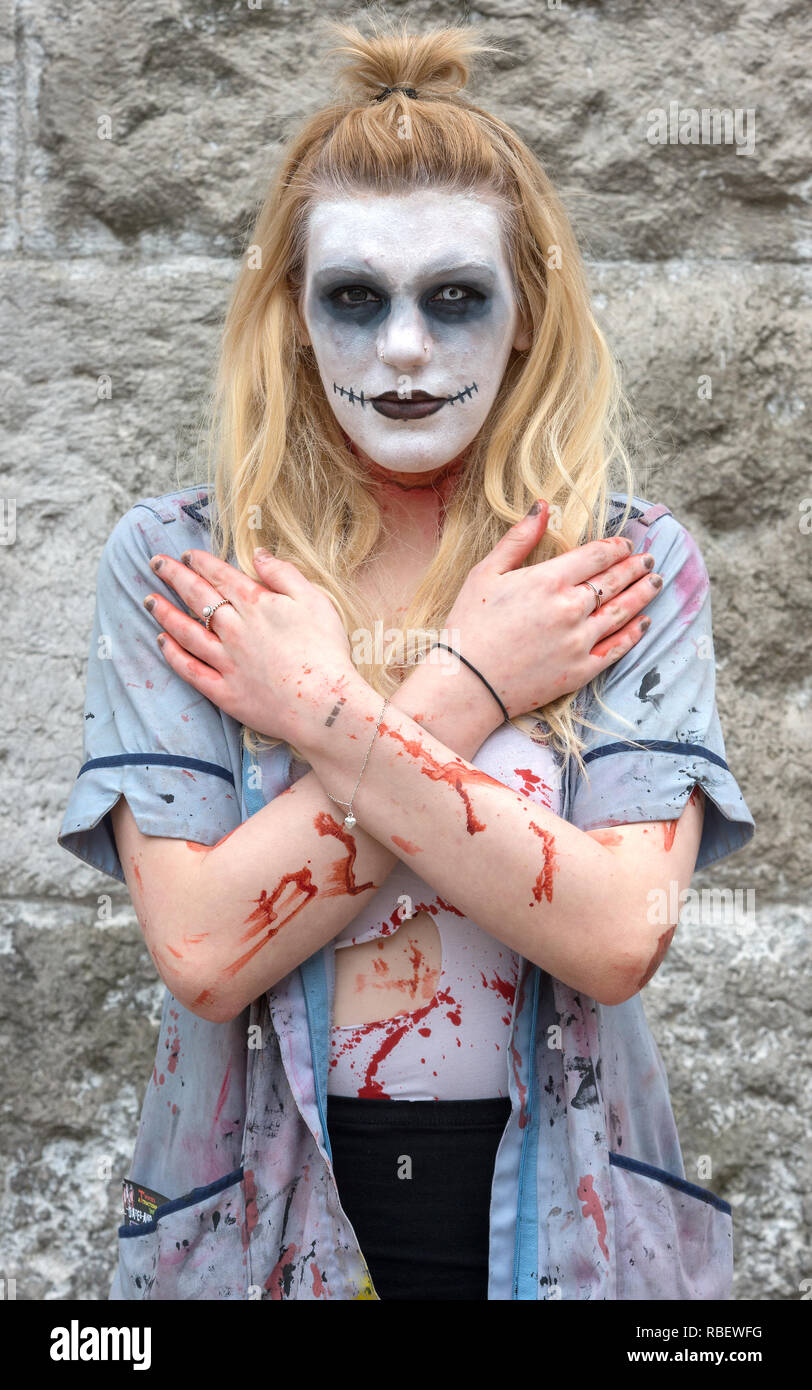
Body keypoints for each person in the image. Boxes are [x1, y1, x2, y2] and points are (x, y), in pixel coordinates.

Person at [57, 17, 755, 1301]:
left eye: (452, 297)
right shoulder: (183, 567)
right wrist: (465, 685)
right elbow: (207, 953)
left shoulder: (618, 569)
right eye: (354, 297)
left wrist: (322, 710)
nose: (403, 351)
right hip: (257, 1221)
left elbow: (613, 936)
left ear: (526, 314)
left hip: (567, 1223)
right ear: (292, 313)